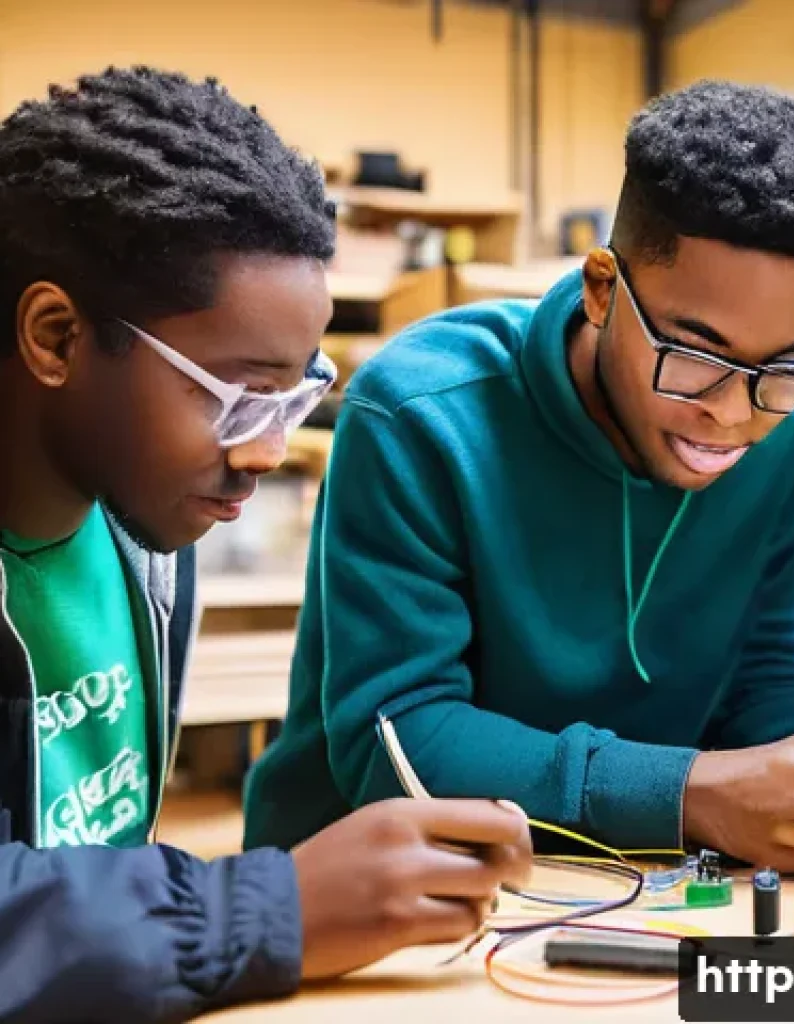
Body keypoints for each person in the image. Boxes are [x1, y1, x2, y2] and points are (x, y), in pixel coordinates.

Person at [245, 80, 794, 874]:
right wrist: (692, 792)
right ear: (603, 289)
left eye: (786, 368)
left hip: (634, 877)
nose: (734, 415)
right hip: (372, 891)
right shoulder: (423, 412)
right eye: (694, 358)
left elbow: (759, 683)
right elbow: (398, 741)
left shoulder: (790, 440)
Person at [0, 66, 532, 1023]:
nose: (268, 451)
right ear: (55, 336)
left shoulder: (145, 533)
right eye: (237, 394)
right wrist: (255, 907)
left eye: (294, 394)